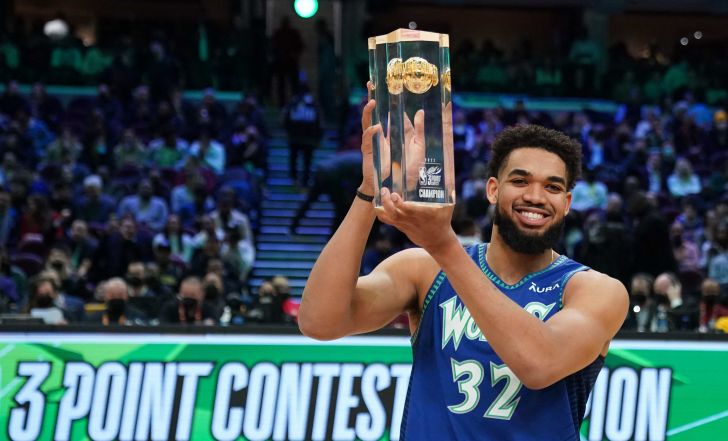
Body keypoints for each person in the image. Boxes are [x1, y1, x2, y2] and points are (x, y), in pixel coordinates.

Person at [299, 99, 628, 440]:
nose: (535, 196)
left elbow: (539, 364)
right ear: (493, 190)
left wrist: (445, 245)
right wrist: (371, 191)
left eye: (553, 187)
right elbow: (319, 322)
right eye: (520, 181)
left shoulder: (593, 289)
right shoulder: (424, 270)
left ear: (567, 203)